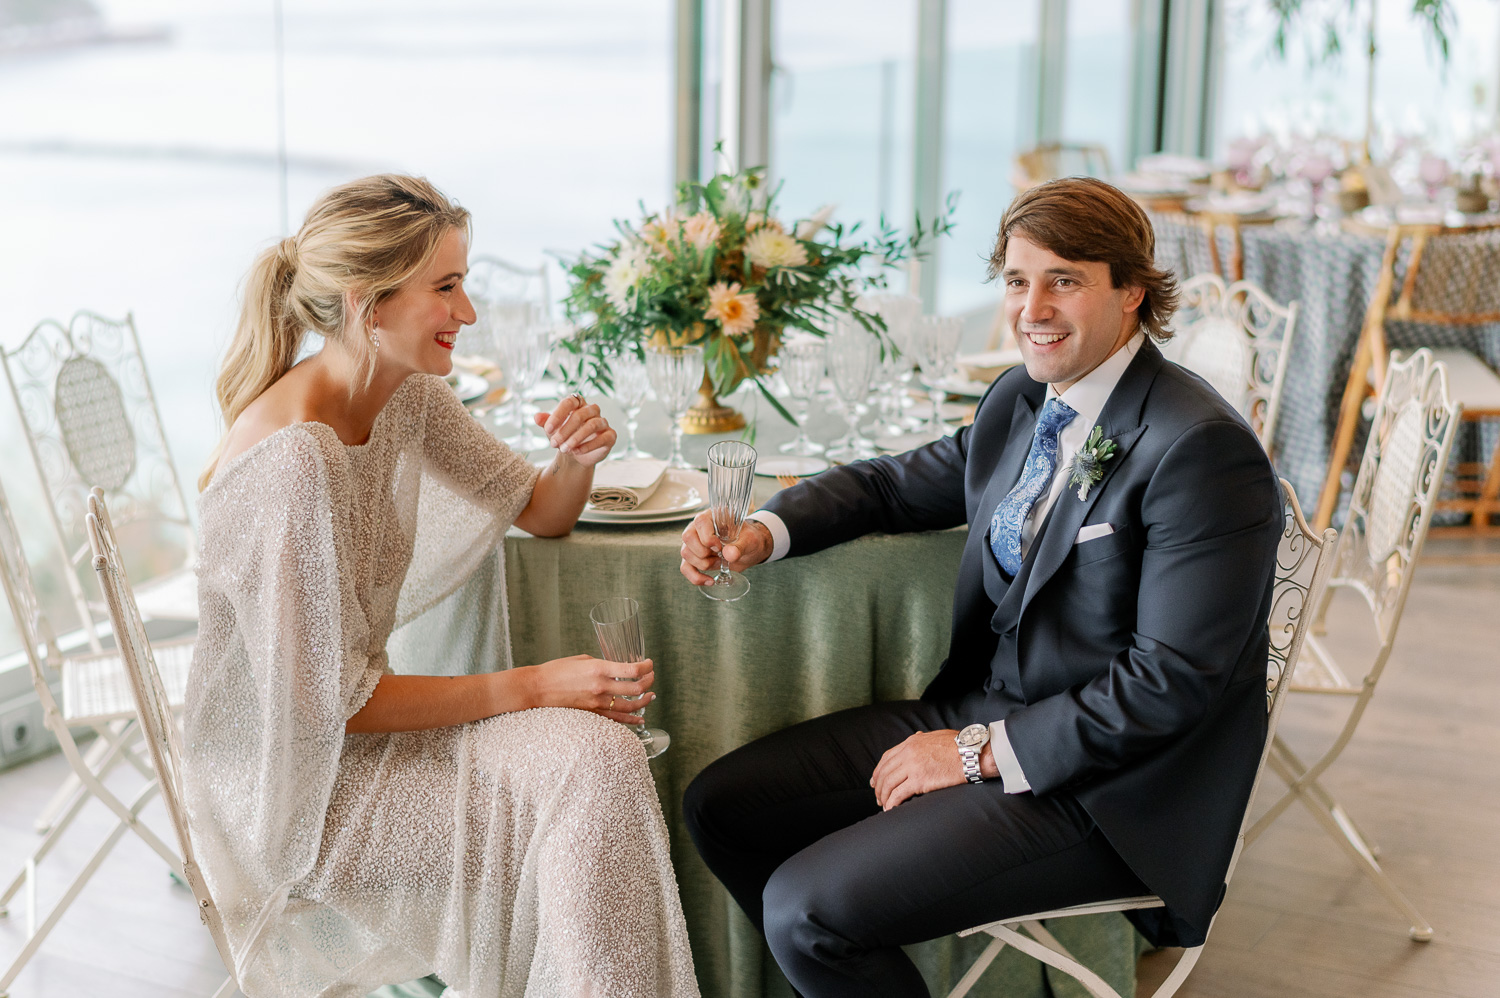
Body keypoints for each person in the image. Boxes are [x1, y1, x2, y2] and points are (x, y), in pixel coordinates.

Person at [678, 177, 1284, 996]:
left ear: (1132, 291)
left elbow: (1168, 685)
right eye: (1015, 280)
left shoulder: (1201, 449)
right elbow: (892, 485)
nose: (1031, 307)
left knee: (806, 910)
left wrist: (972, 754)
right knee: (723, 806)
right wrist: (764, 528)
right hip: (984, 714)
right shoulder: (1024, 399)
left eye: (1063, 280)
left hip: (1108, 789)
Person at [187, 174, 698, 998]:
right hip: (295, 789)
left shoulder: (407, 396)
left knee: (602, 757)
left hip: (358, 741)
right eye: (447, 288)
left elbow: (541, 510)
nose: (467, 314)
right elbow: (328, 709)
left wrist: (576, 459)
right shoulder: (291, 463)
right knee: (581, 784)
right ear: (369, 306)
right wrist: (535, 686)